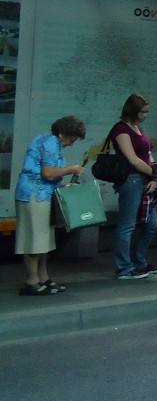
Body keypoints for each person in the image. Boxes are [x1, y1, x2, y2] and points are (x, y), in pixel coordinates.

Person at [14, 116, 86, 296]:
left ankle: (43, 278)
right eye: (71, 140)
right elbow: (48, 173)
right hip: (34, 195)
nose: (71, 144)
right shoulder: (51, 143)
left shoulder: (49, 141)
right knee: (35, 239)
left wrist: (63, 184)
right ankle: (32, 281)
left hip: (41, 193)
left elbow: (49, 175)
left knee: (44, 240)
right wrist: (72, 169)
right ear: (62, 134)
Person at [109, 93, 157, 279]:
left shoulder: (138, 128)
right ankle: (124, 267)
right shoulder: (121, 129)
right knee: (127, 224)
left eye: (147, 112)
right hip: (131, 180)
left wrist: (156, 177)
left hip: (146, 178)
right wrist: (154, 174)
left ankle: (139, 261)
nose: (145, 115)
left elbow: (148, 154)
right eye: (142, 112)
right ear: (132, 111)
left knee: (151, 224)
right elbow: (132, 159)